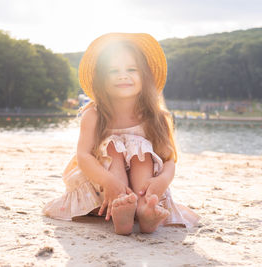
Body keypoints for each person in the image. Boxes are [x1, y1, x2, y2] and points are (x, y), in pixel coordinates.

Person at [43, 33, 200, 235]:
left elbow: (169, 160)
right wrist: (109, 182)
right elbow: (83, 156)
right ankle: (121, 208)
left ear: (145, 76)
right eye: (113, 70)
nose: (123, 75)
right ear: (101, 78)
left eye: (131, 69)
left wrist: (162, 182)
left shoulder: (156, 117)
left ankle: (144, 209)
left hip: (145, 190)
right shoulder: (94, 114)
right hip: (102, 188)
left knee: (140, 149)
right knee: (112, 145)